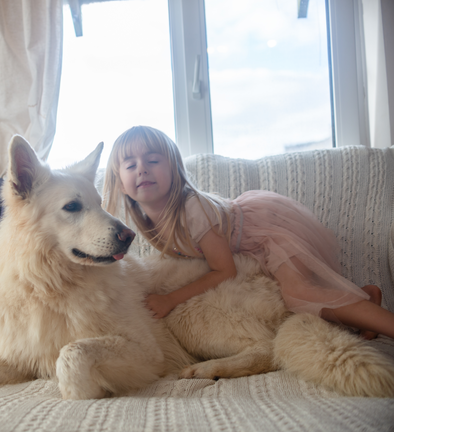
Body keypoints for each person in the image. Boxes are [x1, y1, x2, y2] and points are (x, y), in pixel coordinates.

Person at [102, 126, 393, 339]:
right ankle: (365, 299)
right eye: (130, 164)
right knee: (294, 306)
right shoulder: (143, 221)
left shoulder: (193, 208)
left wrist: (170, 299)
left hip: (270, 233)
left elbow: (224, 270)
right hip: (253, 246)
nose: (142, 169)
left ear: (175, 170)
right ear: (120, 182)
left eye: (153, 161)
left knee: (299, 295)